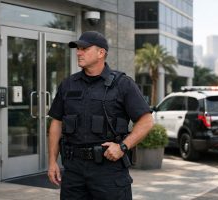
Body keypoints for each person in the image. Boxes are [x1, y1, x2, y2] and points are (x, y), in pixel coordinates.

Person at [47, 31, 153, 200]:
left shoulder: (123, 84)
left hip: (108, 170)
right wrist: (52, 161)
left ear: (101, 53)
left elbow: (146, 121)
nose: (78, 52)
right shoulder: (68, 84)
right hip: (74, 171)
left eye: (84, 48)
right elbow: (56, 123)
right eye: (78, 49)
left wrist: (122, 147)